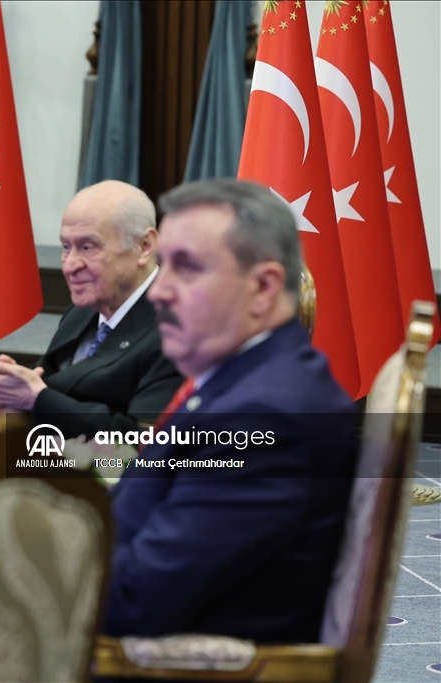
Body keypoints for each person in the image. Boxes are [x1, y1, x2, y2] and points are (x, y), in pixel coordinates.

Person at [104, 179, 358, 642]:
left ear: (262, 287)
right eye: (162, 266)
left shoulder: (263, 418)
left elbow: (133, 599)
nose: (159, 292)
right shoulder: (247, 380)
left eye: (187, 268)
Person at [0, 180, 182, 437]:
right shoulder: (83, 311)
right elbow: (52, 388)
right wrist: (9, 396)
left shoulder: (177, 329)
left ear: (144, 246)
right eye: (66, 247)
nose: (70, 265)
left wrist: (36, 398)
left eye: (88, 247)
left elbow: (141, 441)